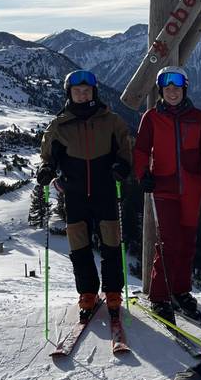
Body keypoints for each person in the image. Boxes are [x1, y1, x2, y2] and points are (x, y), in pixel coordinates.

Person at [38, 70, 132, 322]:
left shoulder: (111, 121)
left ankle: (113, 291)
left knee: (111, 244)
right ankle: (87, 293)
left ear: (94, 92)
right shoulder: (59, 125)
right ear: (69, 94)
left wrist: (123, 165)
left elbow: (125, 146)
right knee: (79, 247)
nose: (82, 95)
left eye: (87, 91)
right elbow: (48, 156)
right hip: (75, 193)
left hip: (105, 191)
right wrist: (46, 169)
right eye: (77, 91)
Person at [133, 66, 201, 323]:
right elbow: (140, 150)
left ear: (185, 89)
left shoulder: (198, 117)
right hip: (164, 188)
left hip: (192, 189)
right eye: (167, 88)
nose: (172, 92)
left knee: (187, 243)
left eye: (177, 88)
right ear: (161, 91)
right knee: (169, 243)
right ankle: (160, 295)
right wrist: (143, 174)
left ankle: (180, 290)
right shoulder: (151, 118)